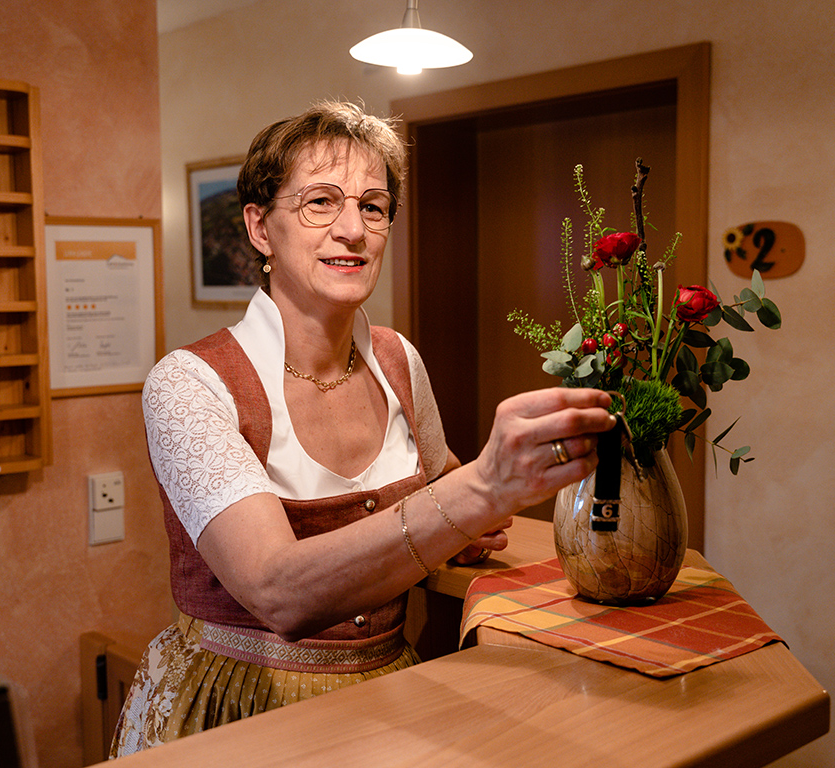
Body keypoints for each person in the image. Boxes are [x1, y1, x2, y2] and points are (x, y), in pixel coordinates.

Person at [110, 101, 615, 756]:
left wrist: (467, 524)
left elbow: (442, 484)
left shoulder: (399, 361)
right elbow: (276, 592)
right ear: (260, 228)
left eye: (373, 207)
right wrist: (481, 491)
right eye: (320, 202)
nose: (353, 230)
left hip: (390, 692)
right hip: (240, 704)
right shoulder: (189, 384)